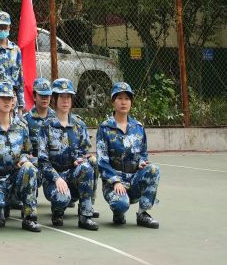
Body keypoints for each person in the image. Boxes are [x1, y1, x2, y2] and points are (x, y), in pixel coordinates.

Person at [0, 79, 41, 231]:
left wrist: (24, 159)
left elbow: (27, 151)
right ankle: (1, 210)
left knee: (29, 167)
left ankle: (29, 217)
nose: (7, 101)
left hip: (16, 179)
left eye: (9, 97)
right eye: (2, 98)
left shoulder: (21, 126)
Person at [96, 82, 160, 228]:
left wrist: (142, 162)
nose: (124, 102)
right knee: (120, 205)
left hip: (134, 180)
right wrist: (115, 181)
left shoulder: (138, 127)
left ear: (131, 102)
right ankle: (119, 211)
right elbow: (102, 162)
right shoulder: (105, 128)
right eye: (119, 98)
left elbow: (143, 153)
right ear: (113, 102)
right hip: (114, 183)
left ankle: (143, 213)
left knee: (153, 169)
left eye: (127, 98)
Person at [41, 78, 98, 230]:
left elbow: (84, 151)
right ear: (54, 99)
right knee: (61, 198)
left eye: (68, 97)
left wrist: (79, 159)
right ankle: (57, 211)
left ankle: (85, 215)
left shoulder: (79, 125)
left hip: (73, 175)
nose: (65, 100)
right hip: (54, 180)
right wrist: (56, 178)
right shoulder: (46, 126)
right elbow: (43, 161)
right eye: (61, 96)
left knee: (87, 167)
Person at [24, 78, 56, 160]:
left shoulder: (56, 117)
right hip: (35, 161)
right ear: (34, 96)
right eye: (42, 95)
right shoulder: (26, 119)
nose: (45, 98)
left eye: (47, 95)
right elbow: (24, 148)